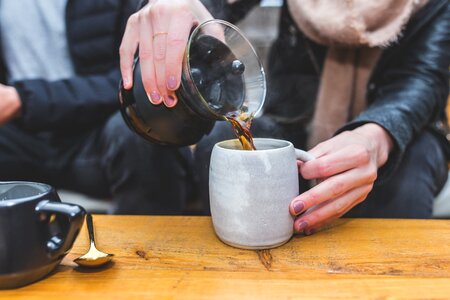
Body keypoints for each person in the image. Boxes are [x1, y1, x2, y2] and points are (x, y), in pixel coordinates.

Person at [120, 0, 450, 232]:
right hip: (295, 120)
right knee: (222, 143)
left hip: (402, 128)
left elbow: (425, 78)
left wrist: (376, 137)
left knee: (406, 172)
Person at [0, 0, 195, 215]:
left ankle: (145, 246)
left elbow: (131, 79)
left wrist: (23, 99)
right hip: (21, 137)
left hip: (97, 133)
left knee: (140, 133)